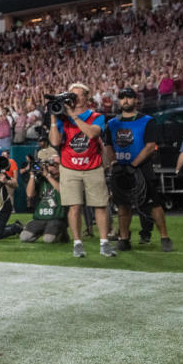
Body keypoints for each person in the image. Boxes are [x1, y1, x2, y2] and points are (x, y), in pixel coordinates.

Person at [48, 82, 116, 258]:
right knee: (74, 206)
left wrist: (72, 115)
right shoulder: (63, 119)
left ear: (87, 98)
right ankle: (77, 243)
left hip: (93, 166)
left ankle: (104, 243)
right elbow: (55, 142)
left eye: (79, 95)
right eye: (72, 95)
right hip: (70, 168)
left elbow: (92, 134)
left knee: (100, 205)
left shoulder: (96, 116)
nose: (75, 98)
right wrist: (54, 119)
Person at [104, 88, 173, 251]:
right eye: (122, 97)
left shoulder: (147, 120)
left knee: (154, 204)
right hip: (120, 170)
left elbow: (150, 147)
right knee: (122, 206)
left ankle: (165, 238)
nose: (125, 100)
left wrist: (133, 165)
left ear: (136, 100)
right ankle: (124, 239)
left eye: (129, 97)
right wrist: (114, 163)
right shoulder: (112, 123)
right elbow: (107, 146)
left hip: (142, 169)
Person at [20, 158, 67, 243]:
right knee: (24, 237)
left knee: (48, 240)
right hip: (40, 218)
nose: (50, 167)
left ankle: (62, 234)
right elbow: (29, 194)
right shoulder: (41, 179)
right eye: (48, 165)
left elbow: (63, 191)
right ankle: (42, 231)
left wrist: (48, 176)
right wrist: (32, 175)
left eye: (53, 165)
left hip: (56, 218)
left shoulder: (64, 178)